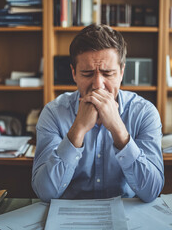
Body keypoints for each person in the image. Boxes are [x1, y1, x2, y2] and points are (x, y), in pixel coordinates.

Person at [32, 24, 164, 203]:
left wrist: (118, 130)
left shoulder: (144, 113)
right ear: (74, 73)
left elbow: (151, 191)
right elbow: (45, 192)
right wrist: (78, 130)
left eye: (108, 73)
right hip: (70, 215)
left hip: (126, 216)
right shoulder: (53, 113)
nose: (97, 84)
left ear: (121, 72)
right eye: (87, 73)